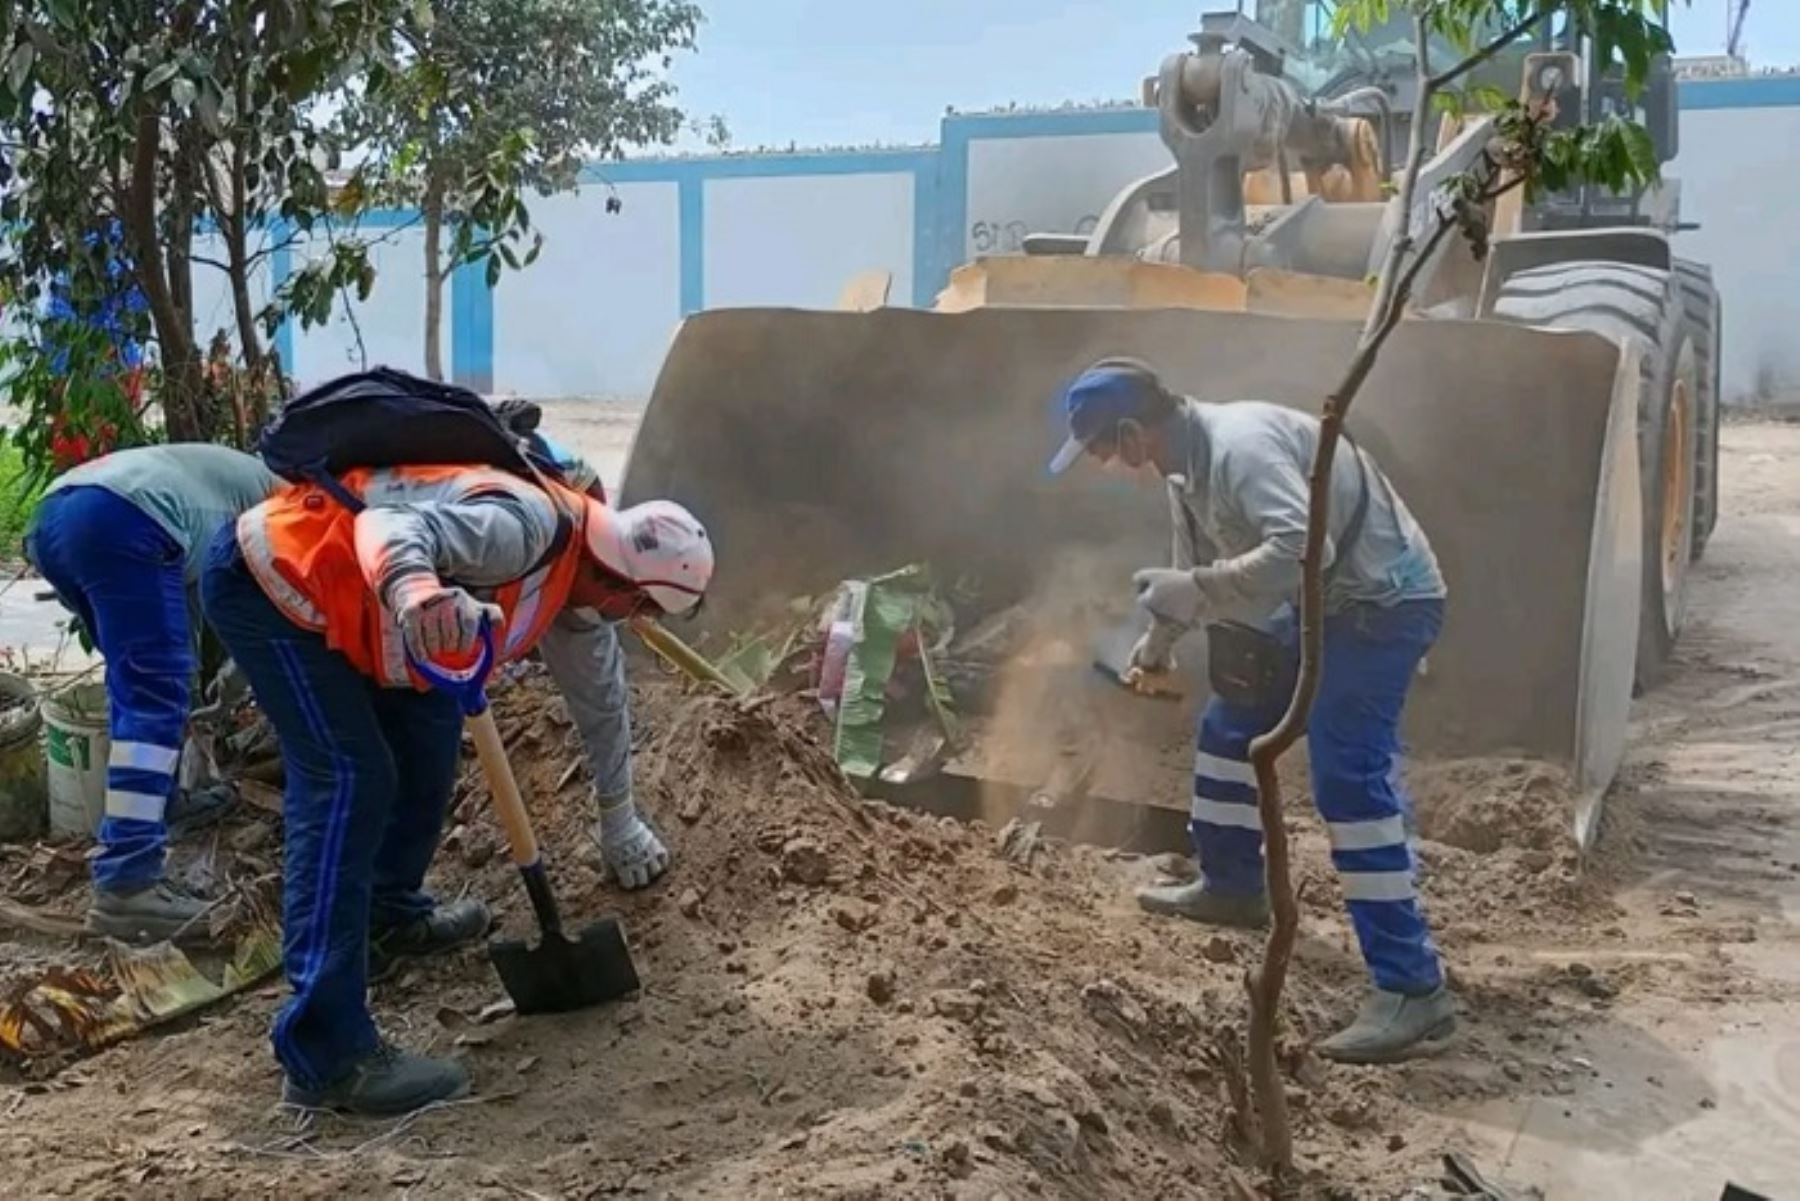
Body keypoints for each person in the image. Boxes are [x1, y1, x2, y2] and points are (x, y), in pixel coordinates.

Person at [201, 456, 712, 1116]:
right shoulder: (527, 526)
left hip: (355, 602)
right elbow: (390, 524)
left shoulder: (581, 598)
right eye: (642, 608)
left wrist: (619, 816)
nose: (633, 619)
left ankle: (387, 916)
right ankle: (326, 1054)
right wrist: (417, 591)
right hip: (274, 583)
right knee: (350, 776)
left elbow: (604, 705)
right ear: (626, 590)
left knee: (430, 732)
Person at [1047, 358, 1452, 1064]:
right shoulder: (1183, 469)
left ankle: (1412, 986)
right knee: (1230, 723)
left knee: (1346, 772)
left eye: (1105, 451)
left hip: (1384, 600)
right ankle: (1233, 885)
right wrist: (1159, 638)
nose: (1109, 466)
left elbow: (1303, 547)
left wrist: (1198, 585)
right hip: (1319, 598)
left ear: (1132, 431)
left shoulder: (1239, 448)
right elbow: (1190, 564)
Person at [25, 444, 278, 942]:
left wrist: (217, 684)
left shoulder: (239, 484)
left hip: (57, 517)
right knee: (153, 696)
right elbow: (269, 623)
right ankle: (128, 882)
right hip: (123, 517)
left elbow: (208, 605)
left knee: (140, 685)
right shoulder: (286, 510)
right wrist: (236, 684)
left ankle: (160, 804)